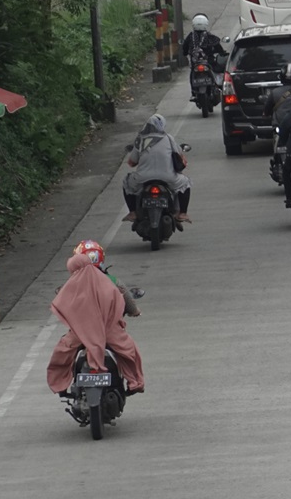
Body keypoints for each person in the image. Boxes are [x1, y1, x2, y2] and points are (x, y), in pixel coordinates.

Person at [46, 245, 146, 396]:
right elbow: (123, 301)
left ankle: (60, 385)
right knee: (130, 352)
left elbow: (61, 305)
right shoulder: (111, 283)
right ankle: (135, 383)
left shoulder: (69, 286)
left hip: (81, 333)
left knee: (62, 352)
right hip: (110, 331)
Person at [122, 114, 191, 224]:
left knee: (127, 182)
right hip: (168, 177)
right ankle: (182, 213)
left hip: (142, 178)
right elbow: (179, 156)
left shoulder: (140, 139)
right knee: (185, 183)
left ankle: (133, 213)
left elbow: (132, 162)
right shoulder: (168, 138)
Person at [181, 13, 227, 92]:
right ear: (206, 23)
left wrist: (185, 53)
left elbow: (185, 47)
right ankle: (219, 86)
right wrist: (222, 52)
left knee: (192, 73)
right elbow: (217, 46)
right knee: (218, 70)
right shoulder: (209, 36)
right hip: (209, 62)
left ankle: (193, 91)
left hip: (195, 63)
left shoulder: (191, 36)